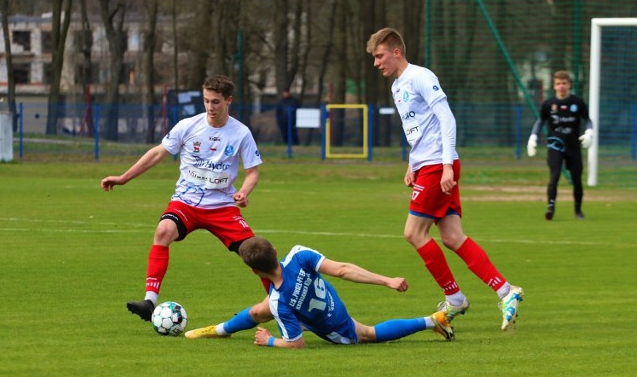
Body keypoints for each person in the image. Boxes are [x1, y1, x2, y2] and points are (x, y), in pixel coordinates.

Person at [366, 28, 523, 330]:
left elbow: (446, 118)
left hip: (439, 165)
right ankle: (506, 291)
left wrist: (447, 164)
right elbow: (418, 130)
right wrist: (412, 163)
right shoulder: (398, 87)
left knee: (414, 233)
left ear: (396, 52)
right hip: (427, 164)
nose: (376, 63)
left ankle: (455, 298)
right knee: (452, 237)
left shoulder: (422, 77)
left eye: (379, 56)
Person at [100, 75, 268, 322]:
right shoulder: (188, 126)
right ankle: (149, 301)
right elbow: (158, 153)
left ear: (229, 100)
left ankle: (286, 307)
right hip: (186, 203)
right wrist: (125, 177)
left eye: (216, 102)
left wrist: (244, 191)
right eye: (206, 101)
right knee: (163, 231)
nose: (210, 107)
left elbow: (252, 173)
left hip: (222, 207)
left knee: (256, 254)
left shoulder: (241, 133)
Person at [184, 237, 454, 348]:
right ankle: (220, 330)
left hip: (335, 326)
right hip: (330, 301)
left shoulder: (281, 302)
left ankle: (432, 321)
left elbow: (296, 344)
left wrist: (268, 340)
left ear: (255, 272)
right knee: (259, 310)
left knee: (368, 334)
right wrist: (387, 280)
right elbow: (343, 269)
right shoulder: (300, 255)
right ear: (276, 252)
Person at [526, 70, 593, 220]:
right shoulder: (549, 104)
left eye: (564, 83)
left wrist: (589, 132)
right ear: (554, 86)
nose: (561, 86)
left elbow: (587, 120)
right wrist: (533, 137)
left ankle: (578, 210)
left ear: (569, 85)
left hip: (573, 146)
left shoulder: (577, 102)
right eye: (558, 84)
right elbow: (540, 121)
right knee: (554, 176)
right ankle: (550, 207)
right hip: (555, 146)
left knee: (577, 178)